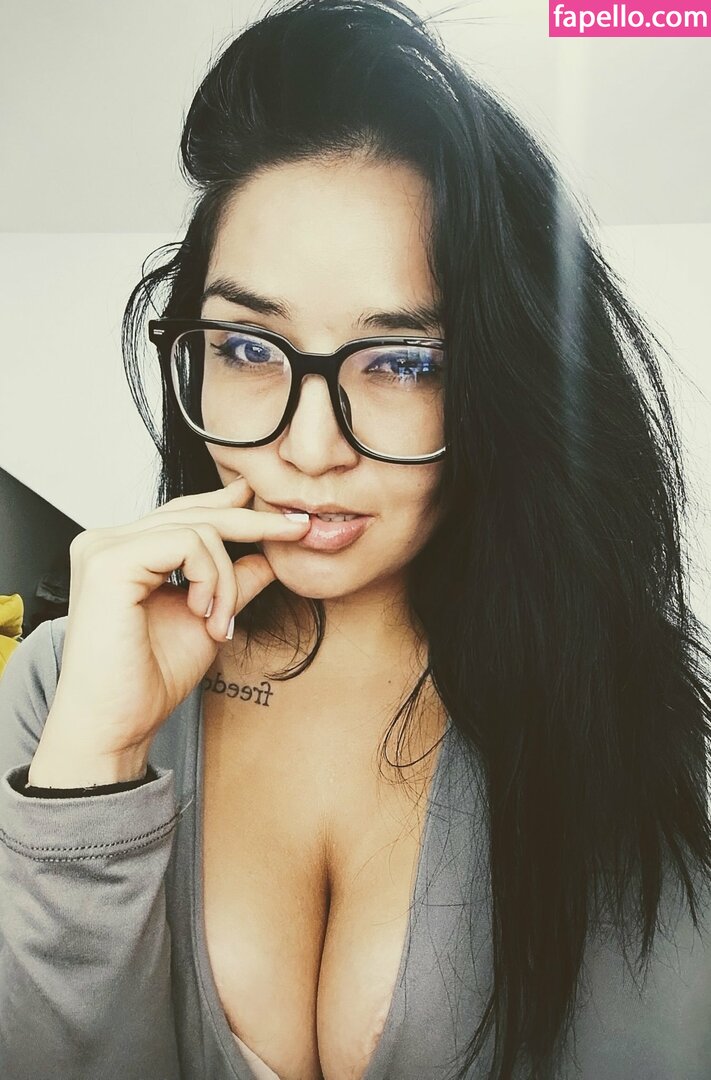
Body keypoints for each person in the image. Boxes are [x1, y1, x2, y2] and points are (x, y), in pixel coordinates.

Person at [1, 1, 710, 1078]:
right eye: (249, 346)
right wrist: (94, 773)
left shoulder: (620, 703)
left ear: (502, 388)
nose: (308, 447)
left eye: (402, 364)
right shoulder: (61, 691)